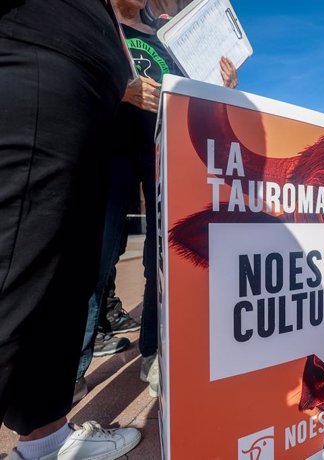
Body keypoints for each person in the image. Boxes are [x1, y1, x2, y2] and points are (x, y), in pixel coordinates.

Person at [76, 0, 240, 399]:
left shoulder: (168, 33)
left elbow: (190, 95)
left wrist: (221, 85)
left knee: (160, 259)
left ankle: (153, 352)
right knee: (95, 258)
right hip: (109, 151)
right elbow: (75, 79)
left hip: (162, 155)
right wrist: (122, 90)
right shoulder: (96, 20)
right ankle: (70, 371)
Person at [0, 1, 143, 459]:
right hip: (44, 53)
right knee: (21, 261)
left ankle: (45, 442)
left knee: (64, 278)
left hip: (87, 92)